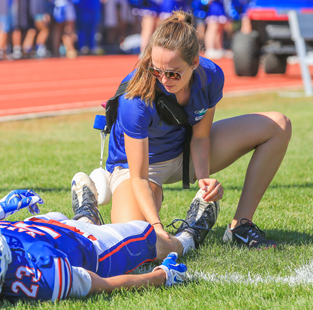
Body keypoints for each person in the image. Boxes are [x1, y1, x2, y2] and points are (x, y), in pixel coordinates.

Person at [104, 10, 292, 255]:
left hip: (185, 150)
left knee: (279, 124)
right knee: (135, 243)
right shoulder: (135, 98)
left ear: (194, 63)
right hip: (140, 167)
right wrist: (157, 227)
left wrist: (204, 181)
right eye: (155, 70)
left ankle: (240, 226)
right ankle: (91, 202)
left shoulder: (211, 75)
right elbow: (139, 177)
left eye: (172, 73)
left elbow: (201, 136)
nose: (163, 79)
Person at [0, 174, 187, 309]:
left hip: (36, 224)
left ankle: (86, 214)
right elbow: (102, 285)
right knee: (152, 236)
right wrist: (160, 277)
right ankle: (190, 235)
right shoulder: (38, 277)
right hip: (89, 245)